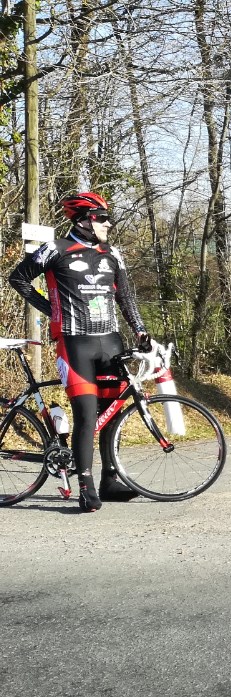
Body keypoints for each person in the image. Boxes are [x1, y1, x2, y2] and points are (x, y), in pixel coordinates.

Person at [8, 191, 151, 511]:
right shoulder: (55, 249)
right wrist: (50, 309)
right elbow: (18, 278)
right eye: (102, 218)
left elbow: (125, 297)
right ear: (84, 220)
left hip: (110, 341)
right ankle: (85, 485)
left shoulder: (112, 253)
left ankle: (109, 480)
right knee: (87, 413)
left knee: (110, 413)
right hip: (74, 344)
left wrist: (140, 329)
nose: (108, 223)